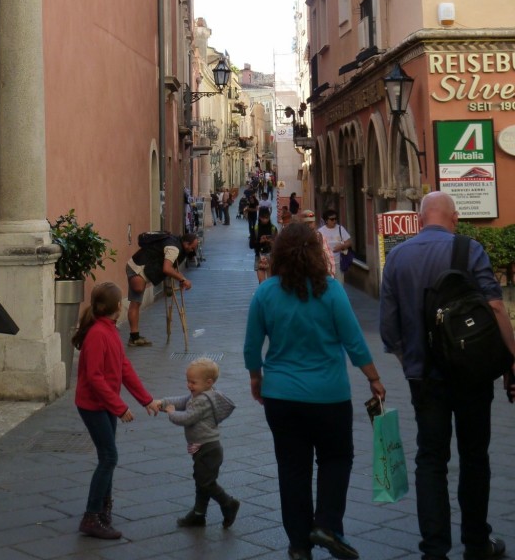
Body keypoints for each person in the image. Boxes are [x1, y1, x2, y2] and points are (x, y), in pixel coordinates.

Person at [379, 191, 515, 560]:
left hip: (425, 380)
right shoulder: (469, 249)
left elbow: (388, 332)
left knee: (430, 458)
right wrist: (509, 361)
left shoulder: (396, 257)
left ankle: (434, 550)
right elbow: (496, 307)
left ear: (421, 218)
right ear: (453, 217)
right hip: (472, 375)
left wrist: (414, 362)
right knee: (475, 456)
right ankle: (476, 542)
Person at [244, 222, 384, 560]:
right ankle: (326, 523)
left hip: (281, 396)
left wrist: (256, 379)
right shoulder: (331, 290)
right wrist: (373, 378)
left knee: (292, 469)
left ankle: (298, 546)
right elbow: (353, 341)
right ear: (316, 253)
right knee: (337, 458)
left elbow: (251, 347)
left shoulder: (265, 293)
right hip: (329, 396)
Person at [73, 282, 158, 539]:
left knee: (107, 457)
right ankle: (92, 516)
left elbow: (124, 368)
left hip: (104, 405)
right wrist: (119, 407)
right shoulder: (98, 334)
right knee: (109, 457)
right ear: (117, 307)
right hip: (93, 405)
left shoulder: (109, 330)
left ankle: (103, 511)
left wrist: (147, 400)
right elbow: (95, 377)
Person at [152, 358, 240, 529]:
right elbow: (181, 401)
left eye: (193, 382)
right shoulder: (198, 395)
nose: (189, 385)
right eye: (188, 381)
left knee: (206, 482)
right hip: (203, 447)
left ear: (208, 383)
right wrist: (162, 402)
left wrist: (170, 412)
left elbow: (187, 417)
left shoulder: (203, 400)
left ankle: (228, 503)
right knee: (202, 480)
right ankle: (199, 514)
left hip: (208, 448)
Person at [126, 231, 198, 346]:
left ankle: (134, 337)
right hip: (136, 268)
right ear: (186, 243)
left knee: (136, 303)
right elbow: (167, 269)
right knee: (136, 301)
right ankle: (134, 338)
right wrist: (183, 279)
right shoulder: (174, 248)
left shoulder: (175, 242)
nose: (192, 250)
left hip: (136, 266)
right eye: (192, 247)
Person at [317, 209, 352, 284]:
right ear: (326, 220)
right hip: (326, 263)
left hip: (338, 262)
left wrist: (341, 246)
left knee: (339, 284)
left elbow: (349, 242)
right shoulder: (321, 231)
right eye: (332, 219)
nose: (334, 221)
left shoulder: (340, 229)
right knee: (327, 283)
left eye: (336, 219)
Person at [253, 206, 277, 283]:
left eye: (267, 217)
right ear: (259, 217)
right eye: (263, 217)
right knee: (261, 282)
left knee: (270, 281)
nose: (265, 220)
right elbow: (251, 245)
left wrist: (271, 242)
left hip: (271, 256)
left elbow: (278, 245)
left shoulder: (273, 228)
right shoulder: (256, 228)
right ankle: (263, 294)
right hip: (259, 256)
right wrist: (259, 241)